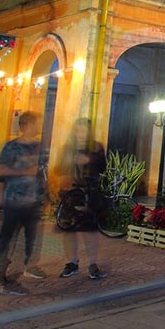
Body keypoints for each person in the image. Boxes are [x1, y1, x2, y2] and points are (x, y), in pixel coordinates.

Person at [0, 111, 47, 295]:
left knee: (32, 238)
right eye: (36, 123)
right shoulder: (11, 147)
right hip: (14, 199)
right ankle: (1, 273)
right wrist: (23, 172)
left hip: (34, 200)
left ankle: (30, 266)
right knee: (9, 237)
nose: (39, 127)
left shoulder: (41, 148)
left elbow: (43, 171)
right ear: (26, 126)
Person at [59, 118, 107, 280]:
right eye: (78, 129)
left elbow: (103, 167)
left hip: (89, 192)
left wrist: (90, 159)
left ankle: (93, 264)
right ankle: (72, 262)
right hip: (71, 193)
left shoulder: (96, 147)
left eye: (84, 130)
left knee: (89, 230)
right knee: (69, 230)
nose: (80, 133)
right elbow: (60, 167)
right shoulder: (68, 148)